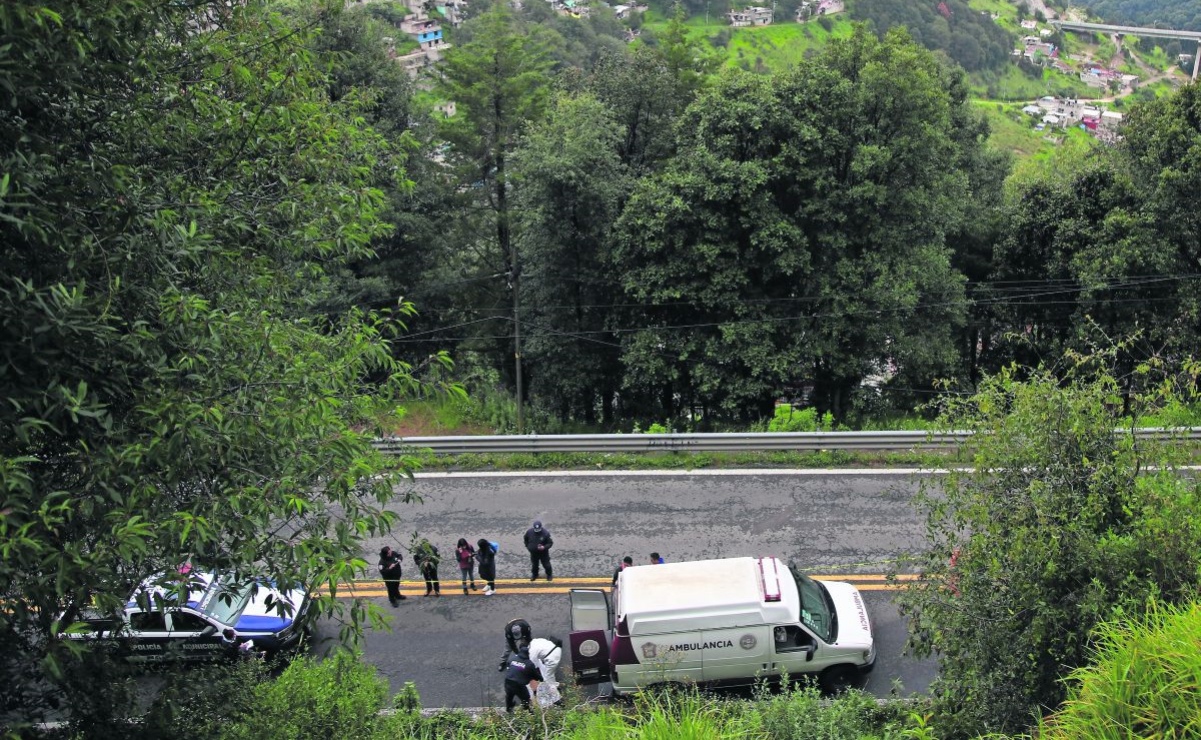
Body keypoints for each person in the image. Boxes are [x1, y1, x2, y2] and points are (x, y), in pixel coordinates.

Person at [502, 645, 541, 713]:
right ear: (528, 654)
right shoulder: (529, 664)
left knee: (509, 696)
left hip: (508, 681)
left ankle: (509, 708)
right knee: (525, 697)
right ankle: (528, 711)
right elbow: (536, 676)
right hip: (518, 685)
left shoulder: (513, 658)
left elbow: (509, 665)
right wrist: (541, 678)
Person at [527, 635, 563, 707]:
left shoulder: (531, 653)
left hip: (552, 658)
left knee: (548, 680)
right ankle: (555, 688)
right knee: (549, 675)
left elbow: (534, 666)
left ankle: (557, 699)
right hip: (556, 650)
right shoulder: (534, 641)